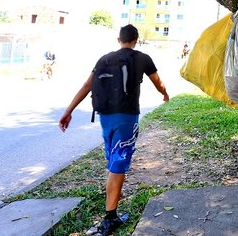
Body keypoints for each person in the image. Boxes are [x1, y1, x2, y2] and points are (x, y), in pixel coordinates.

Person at [58, 24, 170, 236]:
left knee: (113, 160)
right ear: (136, 39)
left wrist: (68, 111)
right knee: (119, 161)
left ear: (118, 39)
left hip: (105, 116)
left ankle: (111, 213)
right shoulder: (142, 57)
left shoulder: (104, 59)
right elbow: (158, 82)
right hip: (127, 117)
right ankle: (109, 218)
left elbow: (86, 86)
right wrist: (165, 94)